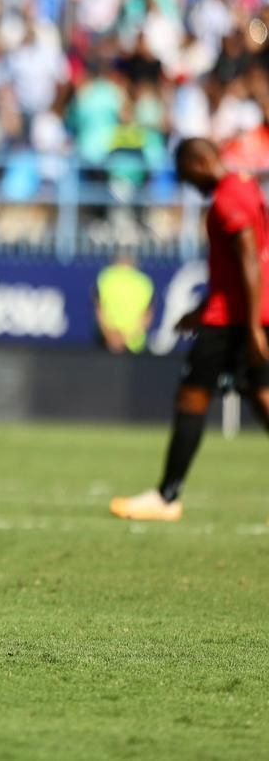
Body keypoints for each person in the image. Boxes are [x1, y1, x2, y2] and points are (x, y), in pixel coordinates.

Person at [110, 139, 269, 522]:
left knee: (192, 397)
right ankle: (166, 495)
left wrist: (251, 328)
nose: (187, 184)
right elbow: (236, 269)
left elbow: (249, 260)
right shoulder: (244, 185)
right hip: (244, 313)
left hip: (232, 321)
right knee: (261, 396)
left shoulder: (227, 199)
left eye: (186, 174)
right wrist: (199, 311)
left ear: (200, 162)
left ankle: (166, 497)